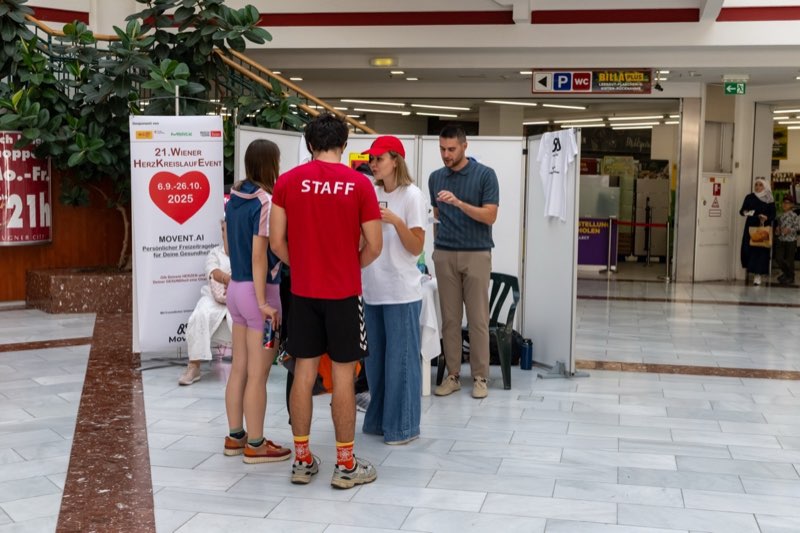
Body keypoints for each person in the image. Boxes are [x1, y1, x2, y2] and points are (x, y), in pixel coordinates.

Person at [270, 113, 382, 489]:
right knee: (342, 377)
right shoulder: (360, 184)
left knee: (303, 373)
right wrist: (349, 266)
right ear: (344, 144)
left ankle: (302, 461)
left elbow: (276, 243)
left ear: (309, 144)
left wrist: (302, 267)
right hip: (344, 293)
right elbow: (375, 245)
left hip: (303, 292)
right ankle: (345, 465)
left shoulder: (287, 183)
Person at [222, 139, 291, 464]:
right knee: (258, 375)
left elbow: (229, 244)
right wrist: (264, 302)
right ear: (270, 163)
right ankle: (257, 444)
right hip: (259, 295)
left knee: (239, 369)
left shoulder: (234, 196)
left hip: (236, 290)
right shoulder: (264, 201)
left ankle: (236, 436)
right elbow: (260, 253)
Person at [360, 135, 426, 445]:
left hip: (401, 290)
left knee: (401, 361)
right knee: (375, 362)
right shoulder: (368, 192)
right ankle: (378, 421)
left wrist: (396, 222)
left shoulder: (412, 195)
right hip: (372, 288)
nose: (373, 164)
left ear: (395, 160)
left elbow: (415, 248)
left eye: (379, 159)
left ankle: (403, 427)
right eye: (371, 159)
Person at [429, 125, 499, 399]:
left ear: (464, 146)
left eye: (451, 149)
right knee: (449, 320)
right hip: (445, 253)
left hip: (476, 253)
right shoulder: (435, 177)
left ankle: (480, 377)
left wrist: (459, 203)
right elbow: (436, 215)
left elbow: (490, 216)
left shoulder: (485, 175)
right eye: (442, 149)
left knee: (478, 319)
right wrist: (436, 247)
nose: (446, 155)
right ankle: (453, 375)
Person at [177, 219, 232, 385]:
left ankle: (248, 366)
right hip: (214, 298)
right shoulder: (215, 253)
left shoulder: (247, 251)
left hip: (238, 297)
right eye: (224, 230)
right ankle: (194, 366)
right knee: (200, 314)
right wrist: (228, 279)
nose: (226, 234)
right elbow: (212, 271)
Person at [739, 177, 776, 286]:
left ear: (765, 186)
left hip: (763, 228)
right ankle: (750, 270)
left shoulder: (769, 198)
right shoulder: (750, 197)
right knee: (748, 249)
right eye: (756, 185)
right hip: (750, 228)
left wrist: (766, 217)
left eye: (760, 185)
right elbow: (742, 211)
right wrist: (752, 213)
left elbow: (773, 215)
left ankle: (758, 275)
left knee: (760, 251)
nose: (758, 187)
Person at [774, 195, 800, 286]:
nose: (785, 204)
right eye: (783, 203)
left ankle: (790, 277)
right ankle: (787, 273)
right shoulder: (780, 216)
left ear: (792, 205)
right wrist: (777, 230)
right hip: (781, 239)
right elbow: (779, 227)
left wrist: (789, 230)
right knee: (778, 258)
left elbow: (798, 227)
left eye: (787, 203)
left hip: (791, 240)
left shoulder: (794, 215)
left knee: (790, 260)